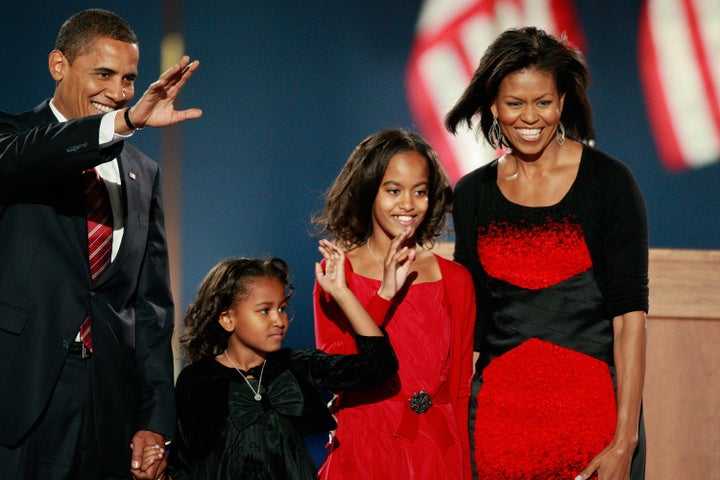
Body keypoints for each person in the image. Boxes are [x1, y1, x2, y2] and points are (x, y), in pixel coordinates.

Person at [0, 8, 201, 480]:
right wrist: (123, 122)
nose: (118, 92)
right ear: (58, 66)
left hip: (106, 406)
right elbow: (36, 156)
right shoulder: (11, 139)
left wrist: (154, 420)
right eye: (104, 74)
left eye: (129, 78)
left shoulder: (142, 173)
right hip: (18, 400)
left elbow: (151, 310)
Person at [445, 26, 648, 480]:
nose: (529, 117)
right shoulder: (473, 193)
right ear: (493, 105)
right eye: (515, 103)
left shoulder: (609, 182)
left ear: (562, 103)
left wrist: (625, 440)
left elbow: (630, 317)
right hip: (498, 426)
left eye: (543, 102)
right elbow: (466, 323)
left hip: (595, 423)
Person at [313, 129, 476, 479]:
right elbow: (339, 371)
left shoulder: (456, 279)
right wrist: (383, 295)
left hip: (436, 447)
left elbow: (461, 387)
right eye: (393, 190)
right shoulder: (340, 272)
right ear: (369, 192)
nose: (407, 204)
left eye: (419, 191)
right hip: (365, 444)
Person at [165, 244, 401, 479]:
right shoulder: (197, 379)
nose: (279, 320)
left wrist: (342, 293)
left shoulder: (297, 365)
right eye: (265, 310)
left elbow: (380, 365)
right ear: (227, 318)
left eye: (282, 308)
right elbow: (184, 462)